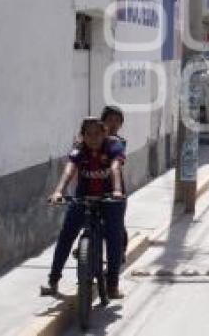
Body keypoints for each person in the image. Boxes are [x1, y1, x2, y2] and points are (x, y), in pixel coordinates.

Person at [41, 117, 126, 299]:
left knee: (114, 237)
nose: (93, 138)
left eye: (97, 133)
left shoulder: (113, 146)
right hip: (83, 197)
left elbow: (115, 167)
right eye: (88, 134)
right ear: (83, 135)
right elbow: (69, 169)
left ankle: (112, 285)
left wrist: (117, 190)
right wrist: (58, 192)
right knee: (67, 234)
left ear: (104, 133)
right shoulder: (79, 148)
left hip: (110, 198)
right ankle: (53, 281)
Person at [101, 105, 129, 265]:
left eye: (117, 121)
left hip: (115, 187)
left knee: (117, 223)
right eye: (109, 120)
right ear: (103, 122)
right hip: (95, 185)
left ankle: (121, 249)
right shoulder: (94, 140)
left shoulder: (120, 142)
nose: (113, 124)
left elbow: (116, 163)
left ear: (121, 125)